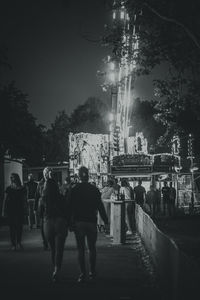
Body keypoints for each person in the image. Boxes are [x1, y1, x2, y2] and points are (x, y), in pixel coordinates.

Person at [68, 166, 108, 283]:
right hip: (91, 221)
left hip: (79, 222)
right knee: (92, 248)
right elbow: (100, 206)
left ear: (79, 176)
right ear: (88, 175)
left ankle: (82, 274)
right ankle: (92, 272)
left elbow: (69, 207)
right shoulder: (94, 189)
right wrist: (105, 221)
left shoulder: (74, 190)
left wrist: (69, 222)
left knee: (80, 249)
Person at [41, 167, 69, 282]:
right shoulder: (61, 197)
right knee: (59, 249)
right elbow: (66, 210)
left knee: (53, 249)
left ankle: (54, 269)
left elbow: (40, 212)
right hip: (60, 222)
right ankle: (57, 270)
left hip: (48, 223)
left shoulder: (44, 198)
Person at [2, 173, 27, 251]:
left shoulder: (22, 188)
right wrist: (3, 210)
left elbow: (24, 200)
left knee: (19, 227)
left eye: (13, 177)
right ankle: (13, 244)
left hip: (19, 209)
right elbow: (5, 200)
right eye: (11, 178)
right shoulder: (9, 188)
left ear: (17, 178)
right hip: (11, 210)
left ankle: (19, 242)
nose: (12, 179)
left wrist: (26, 209)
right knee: (12, 227)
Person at [34, 170, 49, 250]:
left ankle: (49, 240)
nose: (48, 174)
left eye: (49, 172)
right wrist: (35, 207)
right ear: (44, 174)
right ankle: (45, 242)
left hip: (51, 206)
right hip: (42, 206)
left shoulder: (53, 182)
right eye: (46, 173)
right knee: (43, 225)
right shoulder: (40, 184)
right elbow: (36, 195)